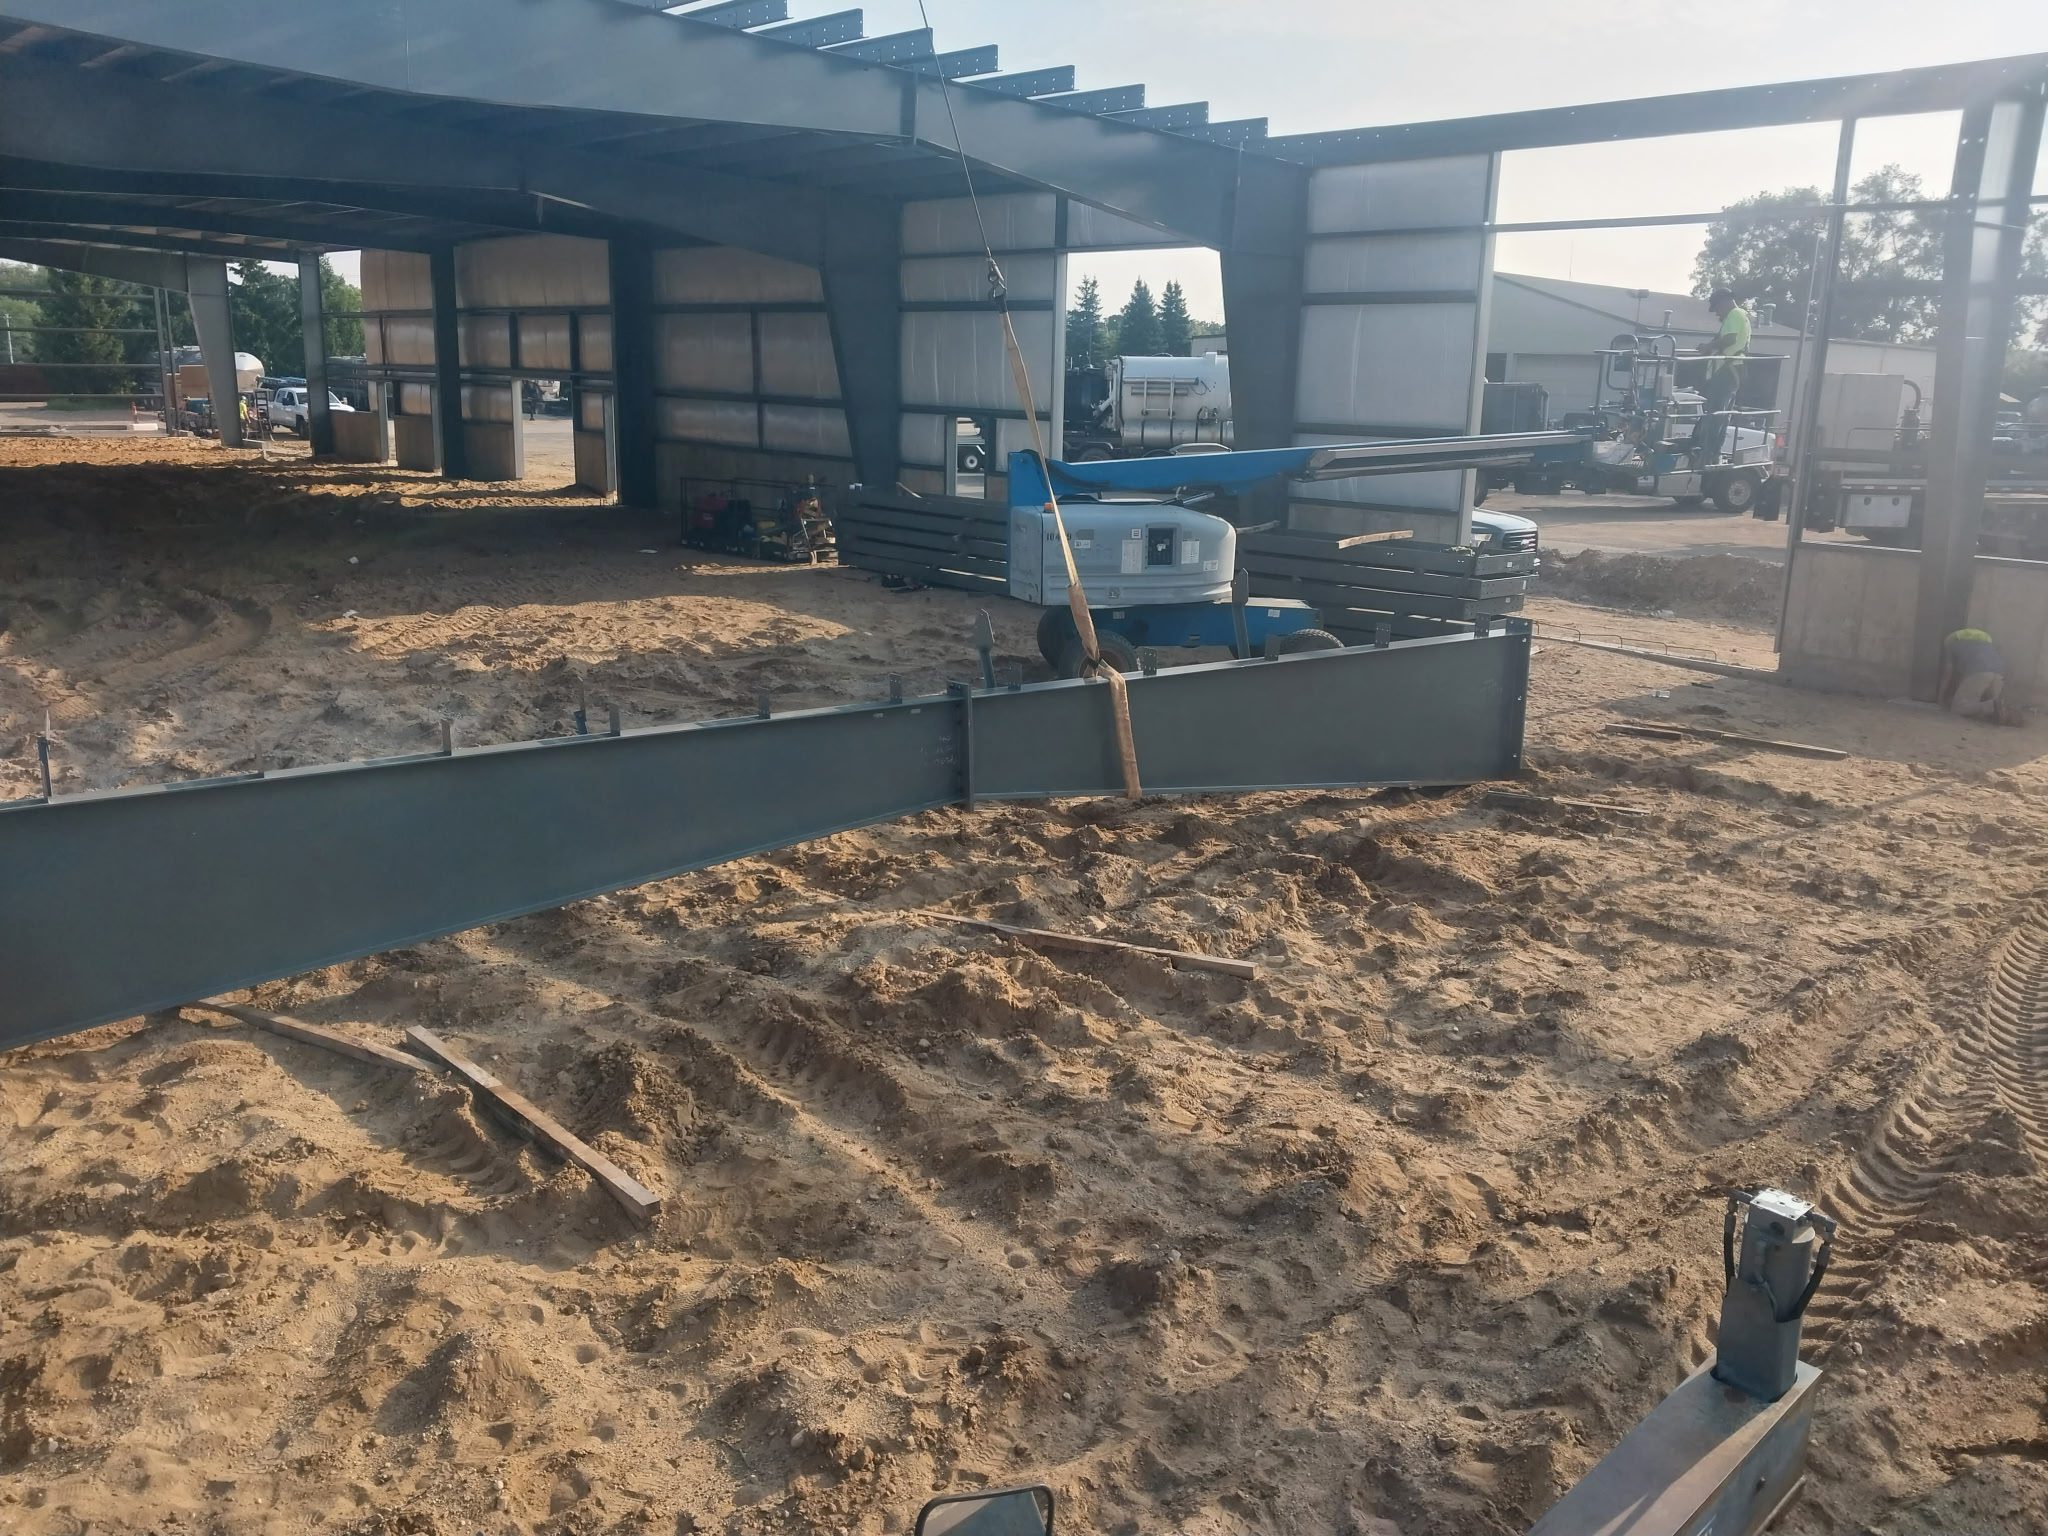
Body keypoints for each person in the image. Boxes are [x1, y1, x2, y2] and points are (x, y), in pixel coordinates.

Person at [1691, 287, 1750, 463]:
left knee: (1716, 413)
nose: (1717, 314)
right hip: (1730, 370)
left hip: (1727, 371)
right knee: (1720, 414)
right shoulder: (1740, 316)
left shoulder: (1735, 314)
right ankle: (1710, 452)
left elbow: (1730, 339)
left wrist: (1709, 347)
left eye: (1717, 308)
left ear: (1724, 302)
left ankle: (1707, 453)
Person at [1940, 627, 2010, 721]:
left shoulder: (1952, 645)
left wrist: (1940, 696)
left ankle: (1992, 705)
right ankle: (1999, 708)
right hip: (1999, 674)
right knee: (1988, 709)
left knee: (1958, 708)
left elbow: (1948, 671)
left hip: (1979, 671)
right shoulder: (1987, 645)